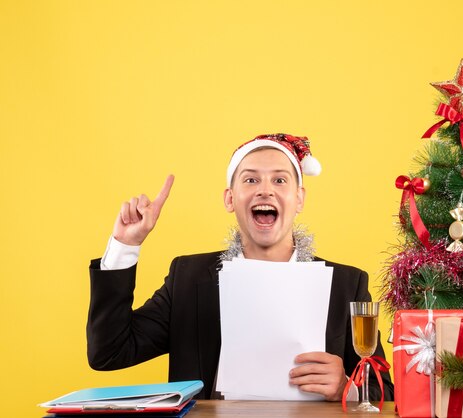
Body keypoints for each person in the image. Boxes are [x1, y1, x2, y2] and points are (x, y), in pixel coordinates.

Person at [87, 134, 393, 401]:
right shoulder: (188, 278)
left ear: (299, 198)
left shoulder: (345, 284)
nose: (265, 190)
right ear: (230, 199)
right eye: (250, 179)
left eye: (280, 180)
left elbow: (386, 394)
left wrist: (346, 388)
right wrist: (125, 246)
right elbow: (110, 352)